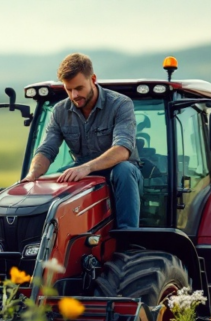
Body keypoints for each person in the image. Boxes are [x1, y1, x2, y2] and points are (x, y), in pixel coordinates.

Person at [21, 53, 143, 229]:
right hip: (83, 170)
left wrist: (87, 168)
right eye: (69, 90)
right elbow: (47, 149)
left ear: (93, 79)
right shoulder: (60, 111)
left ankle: (129, 237)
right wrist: (32, 175)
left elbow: (123, 149)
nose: (74, 95)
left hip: (124, 173)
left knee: (123, 170)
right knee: (54, 180)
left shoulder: (120, 104)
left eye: (79, 88)